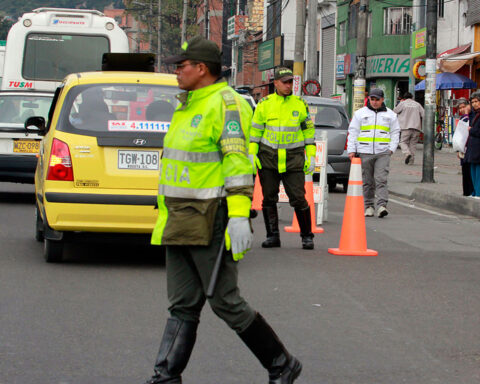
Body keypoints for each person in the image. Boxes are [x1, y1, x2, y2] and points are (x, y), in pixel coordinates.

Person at [144, 36, 302, 384]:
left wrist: (237, 215)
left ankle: (282, 364)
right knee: (182, 304)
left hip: (211, 217)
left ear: (202, 69)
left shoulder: (227, 104)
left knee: (224, 301)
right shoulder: (188, 104)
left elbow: (238, 163)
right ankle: (165, 376)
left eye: (181, 66)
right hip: (179, 218)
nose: (176, 72)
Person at [250, 67, 316, 250]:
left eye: (291, 82)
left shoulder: (300, 104)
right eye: (285, 82)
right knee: (268, 198)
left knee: (299, 198)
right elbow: (255, 131)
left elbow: (308, 132)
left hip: (293, 158)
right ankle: (272, 236)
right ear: (276, 83)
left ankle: (307, 236)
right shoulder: (264, 104)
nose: (289, 86)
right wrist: (252, 153)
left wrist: (310, 155)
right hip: (268, 157)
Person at [347, 88, 400, 218]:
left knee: (381, 179)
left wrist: (391, 149)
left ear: (383, 100)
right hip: (364, 152)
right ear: (369, 99)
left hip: (383, 152)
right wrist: (351, 150)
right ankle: (369, 206)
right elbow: (353, 132)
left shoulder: (391, 115)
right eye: (372, 99)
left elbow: (395, 132)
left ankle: (382, 206)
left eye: (377, 99)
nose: (375, 102)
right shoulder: (360, 113)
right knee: (367, 181)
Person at [393, 92, 424, 165]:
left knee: (403, 142)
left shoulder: (402, 104)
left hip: (405, 127)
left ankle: (407, 153)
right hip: (416, 127)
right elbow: (424, 114)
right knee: (413, 144)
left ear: (404, 98)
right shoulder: (417, 104)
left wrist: (398, 104)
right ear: (412, 97)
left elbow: (395, 111)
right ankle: (411, 161)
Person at [456, 98, 474, 196]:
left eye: (464, 107)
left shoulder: (471, 116)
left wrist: (466, 114)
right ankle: (466, 192)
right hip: (463, 149)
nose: (462, 109)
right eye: (460, 108)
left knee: (470, 171)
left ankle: (471, 192)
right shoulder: (463, 117)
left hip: (471, 148)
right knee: (465, 172)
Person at [465, 92, 480, 197]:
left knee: (478, 172)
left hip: (478, 147)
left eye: (477, 101)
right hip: (473, 147)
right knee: (473, 170)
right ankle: (475, 192)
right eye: (473, 102)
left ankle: (478, 193)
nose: (474, 104)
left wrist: (472, 130)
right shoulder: (474, 114)